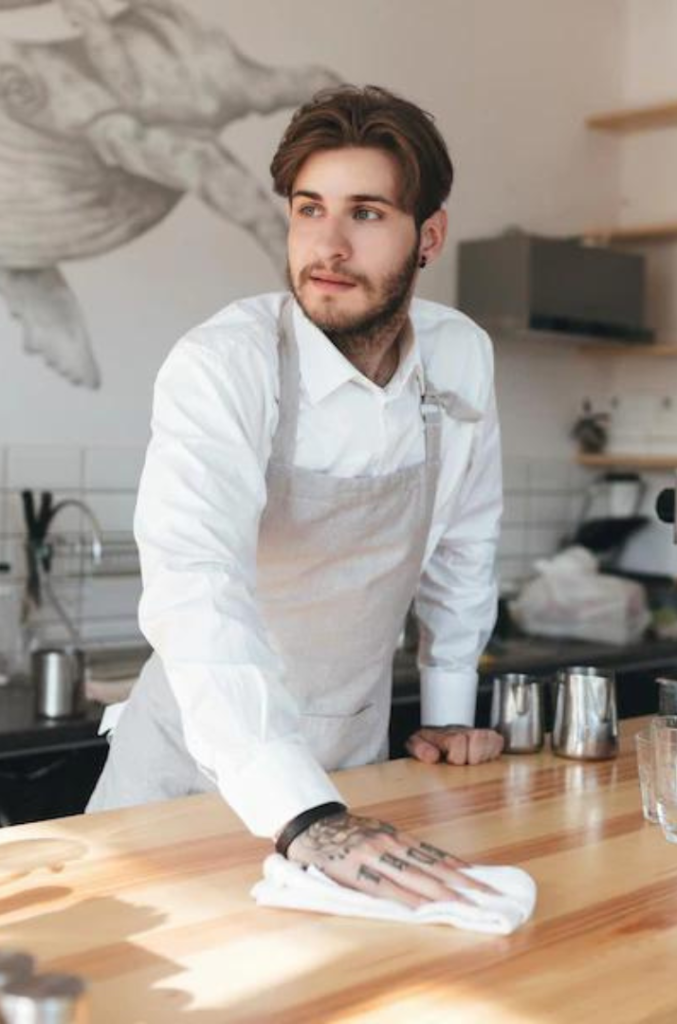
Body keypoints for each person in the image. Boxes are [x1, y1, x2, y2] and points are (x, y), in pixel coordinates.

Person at [87, 85, 505, 907]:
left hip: (354, 776)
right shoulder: (225, 364)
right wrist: (299, 809)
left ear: (429, 237)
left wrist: (449, 713)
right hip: (188, 778)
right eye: (310, 209)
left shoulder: (459, 357)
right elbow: (195, 586)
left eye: (367, 214)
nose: (329, 244)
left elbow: (464, 542)